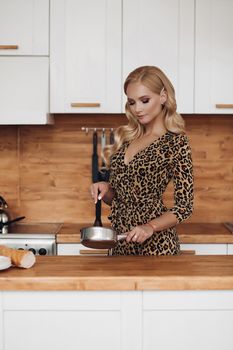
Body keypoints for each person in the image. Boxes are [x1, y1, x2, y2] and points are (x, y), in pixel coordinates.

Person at [91, 66, 194, 255]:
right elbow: (121, 199)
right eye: (132, 102)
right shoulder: (126, 137)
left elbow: (185, 207)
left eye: (144, 100)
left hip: (157, 247)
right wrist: (105, 190)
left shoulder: (176, 142)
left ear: (163, 96)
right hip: (121, 242)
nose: (137, 109)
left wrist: (150, 227)